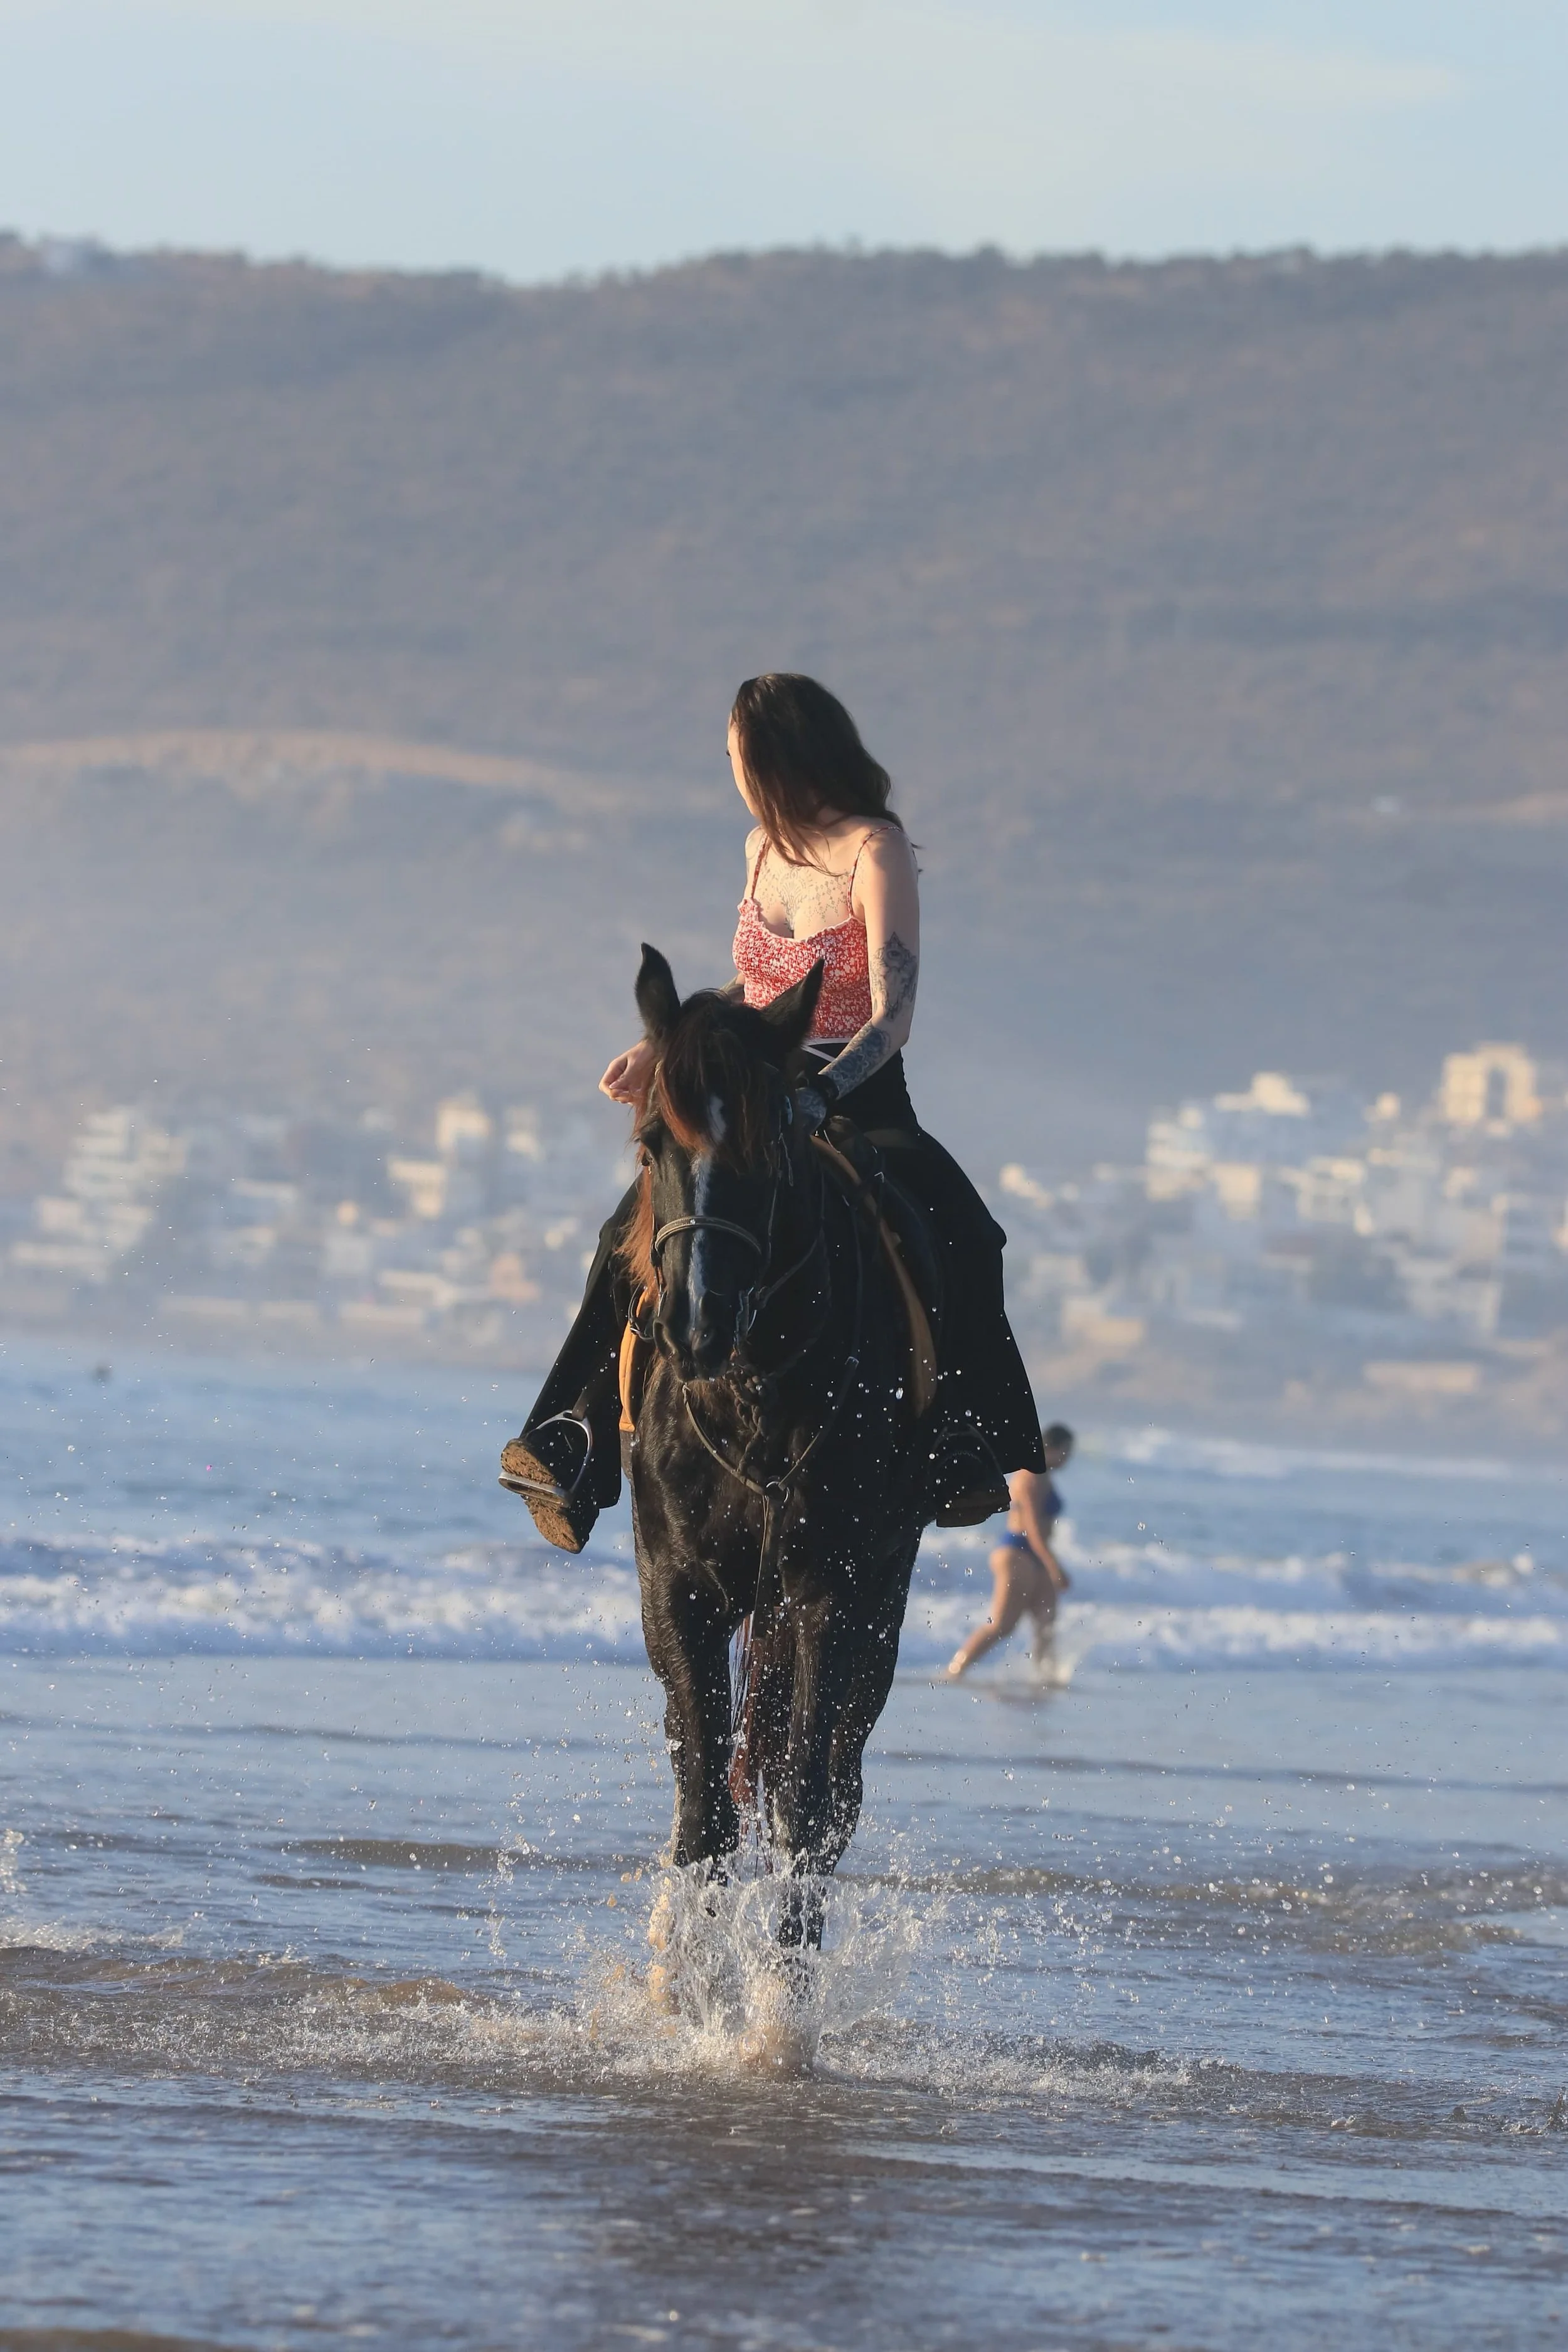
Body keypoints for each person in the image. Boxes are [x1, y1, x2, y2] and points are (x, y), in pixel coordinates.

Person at [501, 672, 1046, 1549]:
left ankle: (964, 1435)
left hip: (855, 1091)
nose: (731, 770)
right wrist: (665, 1047)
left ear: (779, 753)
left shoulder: (877, 850)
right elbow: (758, 986)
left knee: (962, 1223)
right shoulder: (760, 848)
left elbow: (891, 1011)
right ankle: (574, 1434)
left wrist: (823, 1089)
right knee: (630, 1230)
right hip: (755, 1095)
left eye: (736, 755)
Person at [945, 1424, 1075, 1677]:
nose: (1068, 1459)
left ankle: (1045, 1682)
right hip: (1018, 1552)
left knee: (1046, 1624)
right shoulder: (1030, 1477)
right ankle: (954, 1672)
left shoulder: (1046, 1476)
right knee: (1002, 1625)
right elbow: (1033, 1529)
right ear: (1052, 1448)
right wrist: (1053, 1566)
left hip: (1036, 1556)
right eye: (1067, 1452)